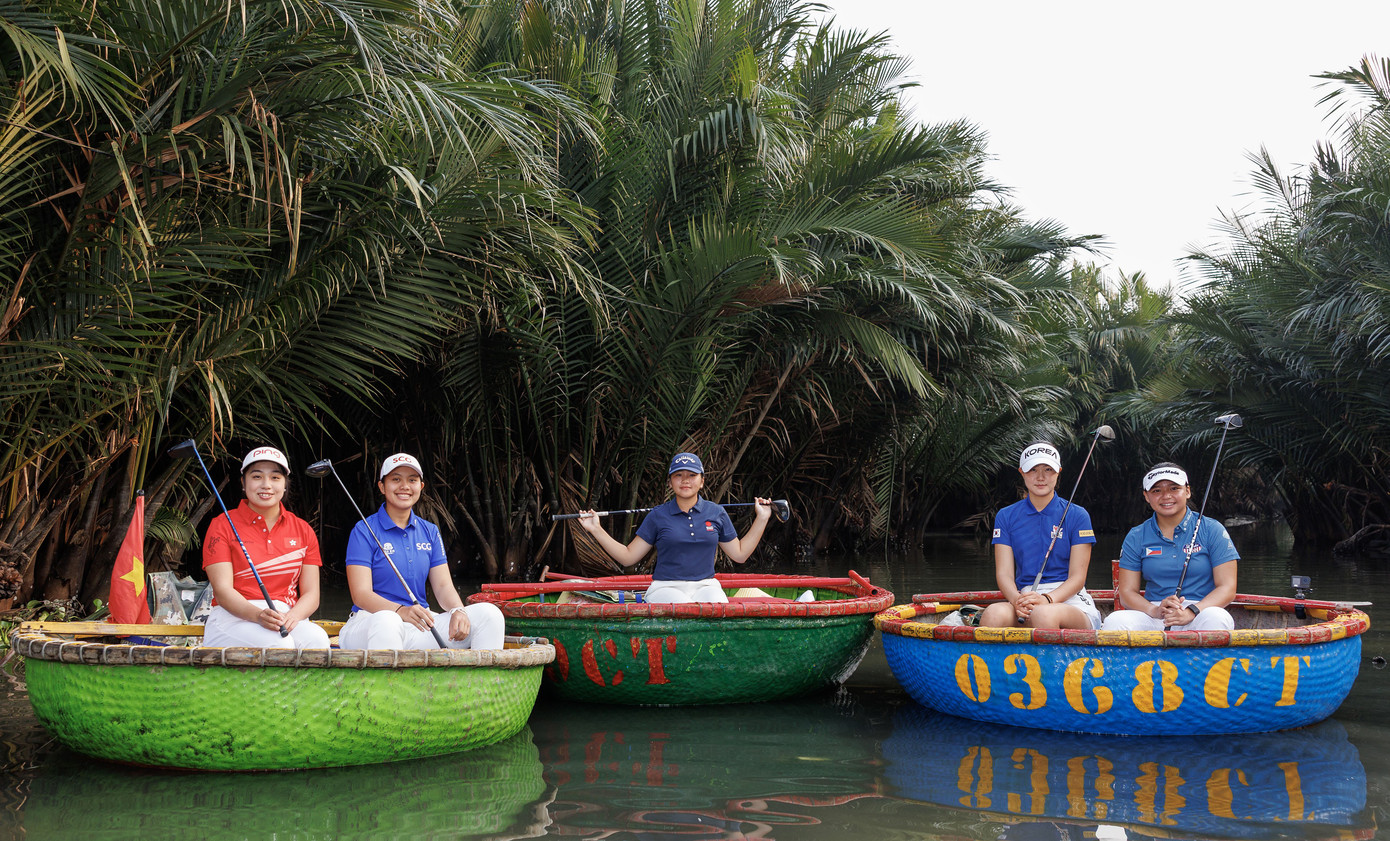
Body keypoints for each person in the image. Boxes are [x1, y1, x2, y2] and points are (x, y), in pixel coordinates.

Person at [339, 453, 505, 650]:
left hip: (419, 623)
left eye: (412, 480)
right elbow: (361, 594)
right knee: (388, 621)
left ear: (421, 486)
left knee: (490, 614)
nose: (405, 486)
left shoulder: (430, 531)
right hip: (371, 622)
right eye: (396, 479)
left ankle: (482, 672)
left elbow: (443, 586)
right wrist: (401, 611)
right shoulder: (364, 530)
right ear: (382, 487)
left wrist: (457, 610)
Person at [577, 452, 772, 603]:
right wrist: (596, 529)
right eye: (678, 475)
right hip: (665, 587)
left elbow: (739, 554)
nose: (685, 480)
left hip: (706, 585)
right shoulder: (658, 515)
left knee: (718, 605)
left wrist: (762, 518)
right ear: (670, 482)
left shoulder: (716, 513)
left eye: (692, 475)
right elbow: (628, 557)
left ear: (702, 481)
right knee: (685, 609)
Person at [203, 446, 331, 649]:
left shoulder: (303, 529)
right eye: (257, 477)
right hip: (233, 617)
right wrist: (258, 615)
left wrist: (293, 616)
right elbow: (222, 591)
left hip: (287, 614)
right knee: (280, 644)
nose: (266, 485)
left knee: (318, 639)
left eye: (275, 478)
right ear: (243, 483)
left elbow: (311, 594)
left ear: (285, 484)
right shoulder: (222, 525)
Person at [1101, 462, 1238, 632]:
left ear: (1187, 491)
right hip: (1156, 613)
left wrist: (1191, 611)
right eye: (1156, 491)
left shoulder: (1212, 529)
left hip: (1201, 611)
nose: (1166, 496)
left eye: (1174, 488)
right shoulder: (1136, 535)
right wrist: (1155, 610)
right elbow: (1127, 593)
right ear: (1146, 496)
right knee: (1115, 621)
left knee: (1217, 617)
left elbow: (1227, 588)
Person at [978, 442, 1102, 630]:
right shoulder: (1006, 516)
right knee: (993, 614)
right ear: (1022, 472)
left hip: (1070, 600)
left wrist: (1047, 599)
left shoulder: (1078, 515)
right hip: (1025, 597)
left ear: (1058, 472)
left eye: (1048, 469)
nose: (1041, 477)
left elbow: (1077, 578)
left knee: (1043, 614)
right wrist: (1017, 600)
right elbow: (1004, 573)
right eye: (1033, 470)